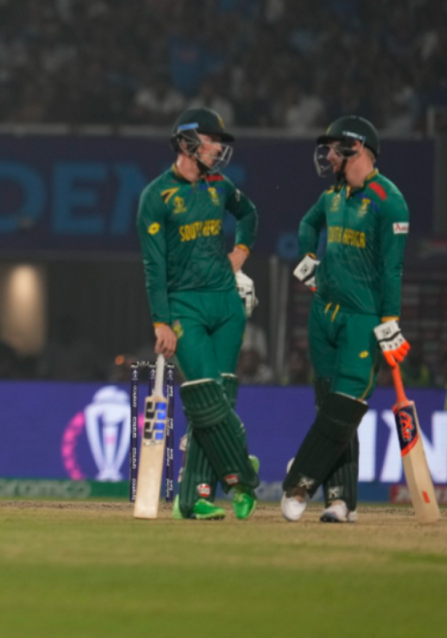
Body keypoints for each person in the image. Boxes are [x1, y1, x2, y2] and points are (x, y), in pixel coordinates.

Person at [282, 116, 410, 523]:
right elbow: (308, 224)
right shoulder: (333, 196)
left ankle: (300, 480)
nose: (330, 155)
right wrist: (307, 255)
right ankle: (340, 501)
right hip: (323, 315)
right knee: (330, 406)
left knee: (345, 405)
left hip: (362, 318)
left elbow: (393, 269)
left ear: (359, 148)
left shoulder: (390, 201)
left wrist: (390, 319)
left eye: (337, 148)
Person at [137, 107, 261, 521]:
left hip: (227, 305)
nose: (218, 148)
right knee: (207, 398)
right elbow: (154, 267)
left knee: (220, 397)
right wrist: (160, 321)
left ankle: (193, 498)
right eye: (210, 141)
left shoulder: (219, 186)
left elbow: (249, 214)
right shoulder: (156, 197)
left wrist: (240, 251)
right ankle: (242, 474)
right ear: (187, 142)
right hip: (184, 308)